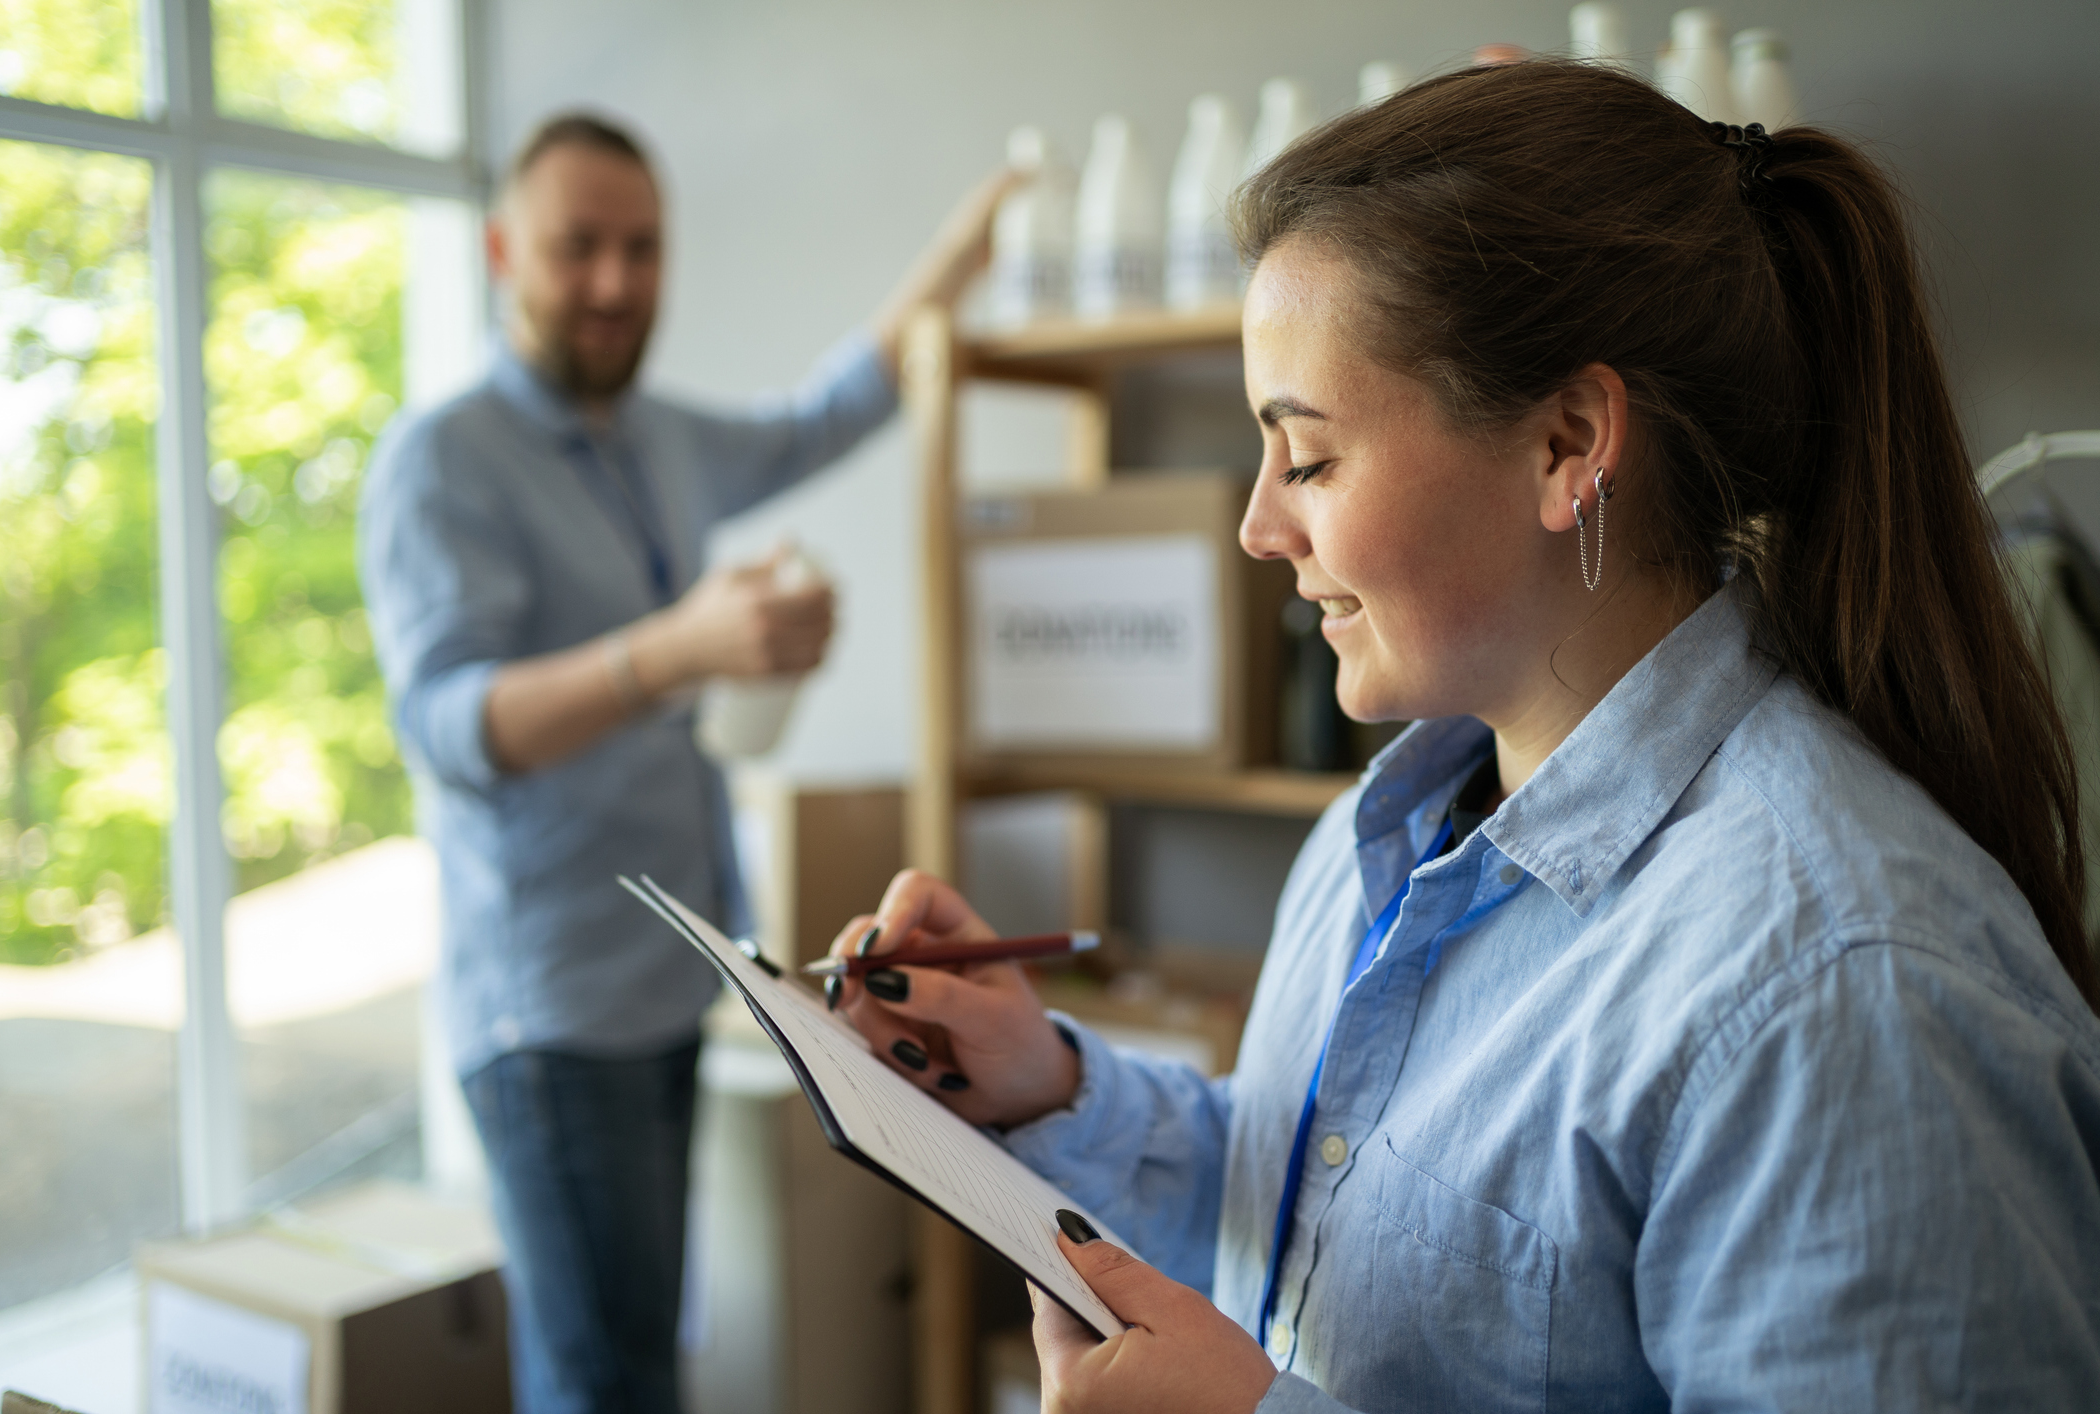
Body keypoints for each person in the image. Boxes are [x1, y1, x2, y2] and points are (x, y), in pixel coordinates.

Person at [826, 60, 2100, 1413]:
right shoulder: (1381, 833)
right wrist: (1049, 1087)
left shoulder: (1839, 990)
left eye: (1305, 457)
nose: (1259, 526)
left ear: (1565, 443)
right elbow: (1333, 1223)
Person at [358, 113, 1005, 1412]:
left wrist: (968, 245)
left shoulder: (655, 437)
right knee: (608, 1382)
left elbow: (828, 414)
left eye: (641, 249)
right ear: (499, 251)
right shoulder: (442, 460)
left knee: (640, 1362)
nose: (613, 282)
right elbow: (447, 727)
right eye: (577, 247)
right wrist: (681, 647)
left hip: (666, 981)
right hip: (550, 1011)